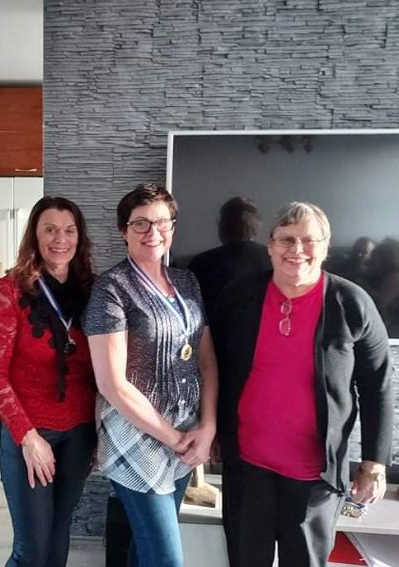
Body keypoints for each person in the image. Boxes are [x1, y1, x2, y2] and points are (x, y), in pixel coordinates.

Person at [213, 201, 393, 567]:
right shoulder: (239, 296)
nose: (297, 250)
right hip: (247, 467)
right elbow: (215, 367)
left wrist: (374, 462)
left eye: (309, 240)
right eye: (286, 239)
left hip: (315, 477)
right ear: (270, 245)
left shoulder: (352, 303)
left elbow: (377, 386)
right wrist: (211, 429)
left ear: (326, 247)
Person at [83, 183, 218, 567]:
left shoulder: (187, 282)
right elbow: (111, 383)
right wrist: (175, 439)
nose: (152, 232)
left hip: (187, 431)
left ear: (173, 226)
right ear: (123, 230)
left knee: (146, 551)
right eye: (140, 223)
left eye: (161, 222)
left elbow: (206, 360)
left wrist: (207, 427)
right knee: (166, 559)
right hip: (136, 436)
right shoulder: (111, 289)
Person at [0, 196, 97, 567]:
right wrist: (28, 438)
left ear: (79, 237)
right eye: (50, 229)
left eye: (69, 230)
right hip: (28, 432)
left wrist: (101, 431)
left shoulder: (94, 291)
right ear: (34, 235)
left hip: (80, 433)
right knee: (32, 550)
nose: (60, 239)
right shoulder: (10, 290)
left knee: (58, 538)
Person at [189, 196, 270, 325]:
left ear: (223, 226)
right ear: (256, 227)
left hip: (215, 336)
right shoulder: (274, 259)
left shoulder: (201, 263)